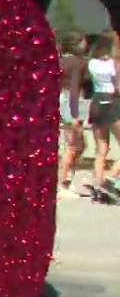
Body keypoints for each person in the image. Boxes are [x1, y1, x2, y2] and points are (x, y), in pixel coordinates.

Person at [86, 29, 120, 203]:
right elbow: (118, 86)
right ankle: (110, 179)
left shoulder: (91, 62)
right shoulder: (113, 64)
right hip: (111, 101)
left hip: (96, 101)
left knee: (101, 149)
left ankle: (98, 186)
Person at [57, 33, 89, 199]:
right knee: (75, 145)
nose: (86, 45)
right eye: (84, 42)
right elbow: (75, 86)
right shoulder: (78, 62)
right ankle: (63, 183)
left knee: (74, 144)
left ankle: (64, 180)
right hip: (73, 101)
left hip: (62, 99)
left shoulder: (61, 61)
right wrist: (76, 113)